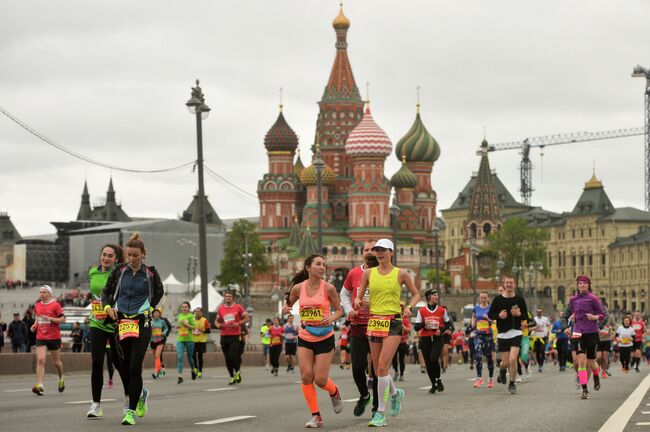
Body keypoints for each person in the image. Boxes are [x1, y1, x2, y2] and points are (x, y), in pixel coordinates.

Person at [355, 239, 420, 427]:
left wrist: (409, 307)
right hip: (374, 320)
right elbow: (360, 296)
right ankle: (395, 393)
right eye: (377, 250)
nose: (380, 253)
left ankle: (380, 413)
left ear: (391, 252)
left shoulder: (401, 274)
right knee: (378, 370)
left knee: (383, 366)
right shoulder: (368, 273)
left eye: (383, 250)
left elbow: (415, 294)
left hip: (393, 322)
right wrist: (359, 301)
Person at [103, 232, 164, 425]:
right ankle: (141, 393)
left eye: (135, 255)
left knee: (134, 366)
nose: (131, 259)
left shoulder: (151, 273)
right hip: (121, 321)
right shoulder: (119, 271)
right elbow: (106, 291)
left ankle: (129, 411)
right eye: (128, 255)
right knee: (123, 366)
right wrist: (107, 307)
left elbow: (159, 292)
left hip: (142, 323)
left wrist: (149, 308)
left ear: (143, 254)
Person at [283, 254, 344, 428]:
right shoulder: (298, 288)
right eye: (318, 264)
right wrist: (286, 307)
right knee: (306, 376)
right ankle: (316, 416)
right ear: (308, 267)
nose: (323, 267)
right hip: (305, 336)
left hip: (325, 337)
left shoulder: (329, 288)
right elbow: (288, 304)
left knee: (320, 380)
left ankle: (334, 391)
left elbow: (339, 310)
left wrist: (331, 318)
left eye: (324, 265)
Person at [87, 244, 128, 419]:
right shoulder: (93, 273)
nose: (106, 258)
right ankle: (96, 404)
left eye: (110, 256)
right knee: (97, 361)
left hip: (115, 323)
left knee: (120, 364)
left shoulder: (119, 274)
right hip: (97, 322)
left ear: (116, 259)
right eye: (104, 254)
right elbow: (96, 294)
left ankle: (129, 400)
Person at [339, 239, 379, 418]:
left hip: (379, 325)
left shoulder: (385, 273)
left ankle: (377, 406)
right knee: (358, 367)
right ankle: (364, 395)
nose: (369, 252)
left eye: (373, 249)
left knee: (379, 368)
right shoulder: (354, 272)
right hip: (358, 326)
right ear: (362, 253)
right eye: (366, 249)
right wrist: (349, 311)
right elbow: (344, 293)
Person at [560, 275, 605, 400]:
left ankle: (596, 376)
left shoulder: (594, 299)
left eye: (585, 283)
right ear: (577, 285)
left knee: (591, 362)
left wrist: (594, 317)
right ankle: (585, 389)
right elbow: (566, 314)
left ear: (588, 285)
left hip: (591, 333)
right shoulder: (573, 300)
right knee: (581, 361)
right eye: (580, 283)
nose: (582, 285)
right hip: (578, 333)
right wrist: (567, 326)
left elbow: (602, 315)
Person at [488, 275, 528, 395]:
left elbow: (525, 316)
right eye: (507, 283)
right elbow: (490, 315)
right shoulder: (497, 300)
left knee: (512, 359)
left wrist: (519, 314)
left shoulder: (520, 300)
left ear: (514, 284)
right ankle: (501, 370)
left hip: (516, 332)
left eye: (511, 283)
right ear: (504, 284)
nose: (509, 284)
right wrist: (499, 316)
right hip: (502, 334)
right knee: (505, 362)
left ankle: (512, 383)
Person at [414, 288, 451, 394]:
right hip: (425, 339)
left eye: (437, 295)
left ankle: (439, 380)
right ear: (429, 297)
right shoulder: (421, 311)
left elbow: (448, 324)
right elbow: (416, 327)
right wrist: (424, 324)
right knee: (428, 363)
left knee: (433, 358)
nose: (437, 297)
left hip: (437, 338)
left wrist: (441, 329)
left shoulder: (442, 310)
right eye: (435, 295)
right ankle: (434, 384)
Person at [31, 285, 66, 396]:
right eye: (40, 292)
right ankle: (40, 385)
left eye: (44, 292)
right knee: (41, 360)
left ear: (50, 293)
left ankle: (61, 378)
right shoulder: (37, 305)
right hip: (41, 337)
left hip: (54, 337)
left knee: (56, 363)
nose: (41, 294)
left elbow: (63, 320)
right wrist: (34, 325)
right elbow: (38, 318)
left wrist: (51, 319)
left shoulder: (55, 305)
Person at [215, 289, 249, 385]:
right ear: (224, 298)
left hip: (234, 336)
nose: (228, 298)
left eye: (230, 296)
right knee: (227, 358)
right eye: (226, 296)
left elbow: (247, 318)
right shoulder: (221, 308)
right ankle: (231, 376)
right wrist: (218, 325)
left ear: (233, 298)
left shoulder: (238, 307)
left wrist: (238, 323)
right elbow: (216, 321)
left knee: (232, 355)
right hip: (224, 336)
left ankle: (237, 371)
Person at [472, 291, 495, 388]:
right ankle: (479, 378)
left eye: (485, 298)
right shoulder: (476, 308)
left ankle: (490, 379)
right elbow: (473, 317)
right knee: (478, 355)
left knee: (489, 357)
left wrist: (488, 318)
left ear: (488, 298)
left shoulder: (491, 308)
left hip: (488, 335)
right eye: (481, 298)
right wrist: (473, 324)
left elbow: (494, 321)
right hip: (478, 334)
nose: (483, 299)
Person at [175, 301, 197, 384]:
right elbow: (179, 325)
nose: (184, 308)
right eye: (183, 307)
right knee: (180, 357)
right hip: (180, 339)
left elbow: (194, 327)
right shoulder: (179, 316)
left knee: (189, 358)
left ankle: (193, 369)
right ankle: (180, 376)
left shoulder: (191, 316)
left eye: (186, 307)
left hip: (189, 340)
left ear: (188, 308)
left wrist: (186, 325)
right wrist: (177, 326)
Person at [392, 304, 410, 382]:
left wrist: (401, 325)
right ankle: (396, 371)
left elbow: (409, 330)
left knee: (401, 359)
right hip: (393, 341)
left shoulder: (405, 320)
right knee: (394, 358)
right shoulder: (392, 319)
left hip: (402, 342)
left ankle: (402, 374)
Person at [192, 307, 210, 378]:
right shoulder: (192, 320)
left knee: (200, 356)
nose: (197, 313)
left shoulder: (204, 320)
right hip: (193, 341)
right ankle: (195, 368)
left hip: (201, 341)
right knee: (193, 356)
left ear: (201, 313)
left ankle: (200, 371)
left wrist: (202, 330)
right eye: (196, 311)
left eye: (198, 312)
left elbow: (208, 331)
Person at [150, 309, 168, 379]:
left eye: (158, 313)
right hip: (152, 340)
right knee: (156, 357)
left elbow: (166, 328)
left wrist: (164, 333)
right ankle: (161, 369)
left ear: (159, 314)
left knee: (157, 355)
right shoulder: (150, 322)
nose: (156, 314)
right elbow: (147, 328)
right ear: (153, 314)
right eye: (155, 313)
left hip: (160, 340)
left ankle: (156, 372)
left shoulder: (162, 321)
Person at [530, 307, 550, 373]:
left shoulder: (545, 319)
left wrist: (547, 332)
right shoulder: (534, 319)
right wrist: (535, 328)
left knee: (542, 350)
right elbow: (530, 327)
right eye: (538, 312)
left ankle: (541, 364)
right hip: (536, 338)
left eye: (540, 312)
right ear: (536, 312)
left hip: (543, 337)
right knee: (538, 352)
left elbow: (548, 326)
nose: (539, 313)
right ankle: (539, 364)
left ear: (542, 312)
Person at [597, 309, 615, 378]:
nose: (604, 310)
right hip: (598, 339)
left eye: (605, 309)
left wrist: (613, 332)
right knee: (598, 357)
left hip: (607, 339)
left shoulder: (610, 317)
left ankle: (604, 372)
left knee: (605, 357)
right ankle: (597, 367)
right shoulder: (596, 317)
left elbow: (615, 326)